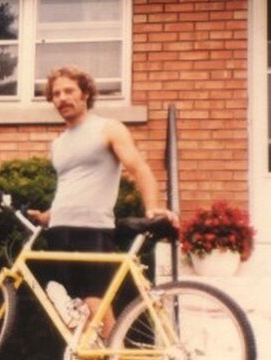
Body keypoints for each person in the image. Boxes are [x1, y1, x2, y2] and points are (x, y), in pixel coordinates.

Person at [27, 66, 178, 342]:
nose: (62, 98)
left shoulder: (108, 129)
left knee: (96, 303)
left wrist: (152, 207)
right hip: (60, 228)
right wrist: (48, 215)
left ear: (85, 93)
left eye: (69, 90)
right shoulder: (58, 143)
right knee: (74, 306)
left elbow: (139, 168)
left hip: (93, 228)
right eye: (56, 93)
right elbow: (72, 186)